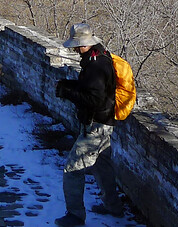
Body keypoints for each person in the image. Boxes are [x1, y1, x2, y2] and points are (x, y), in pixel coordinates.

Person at [53, 22, 123, 226]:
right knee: (102, 166)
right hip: (105, 123)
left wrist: (67, 92)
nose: (75, 49)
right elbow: (92, 90)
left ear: (85, 44)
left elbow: (95, 100)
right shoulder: (100, 57)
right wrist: (70, 85)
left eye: (77, 45)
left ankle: (75, 215)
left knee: (72, 169)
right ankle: (113, 206)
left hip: (95, 126)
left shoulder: (95, 65)